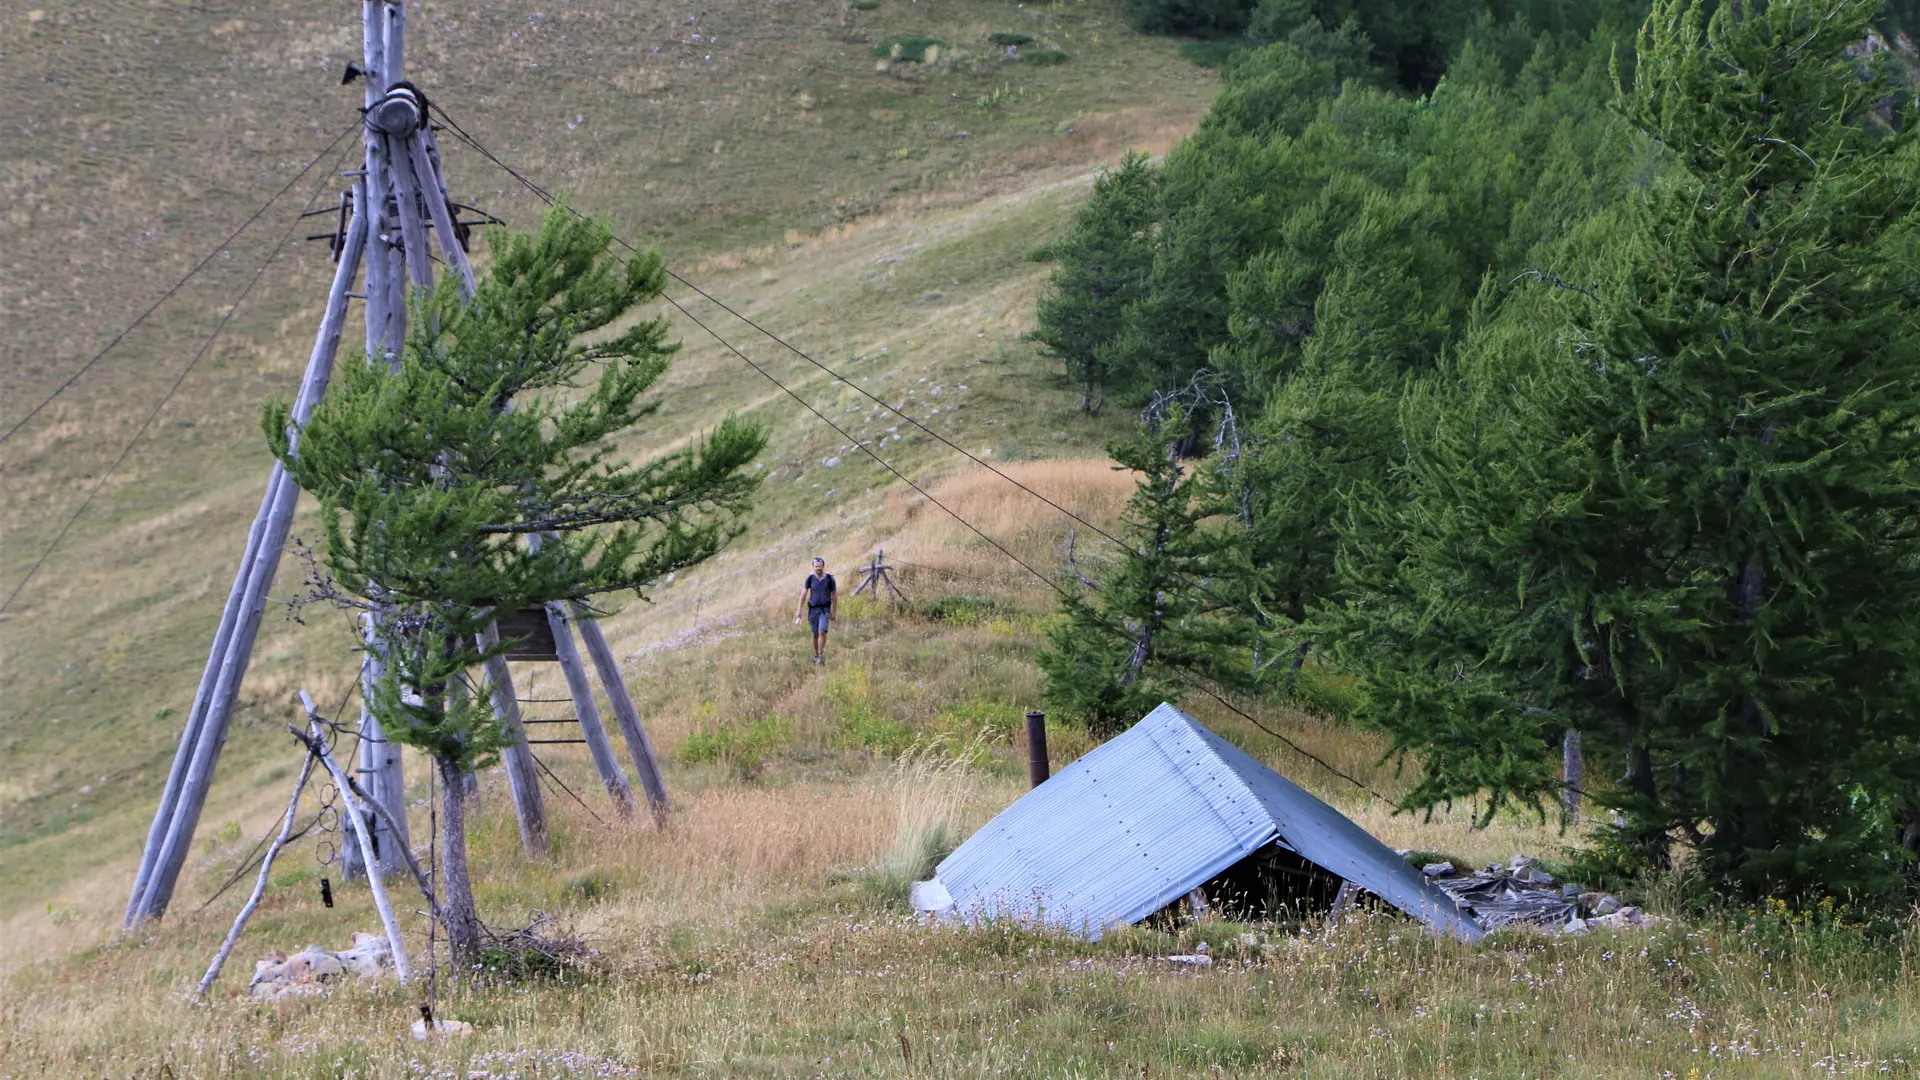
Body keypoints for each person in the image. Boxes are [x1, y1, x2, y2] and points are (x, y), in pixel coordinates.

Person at [794, 556, 837, 665]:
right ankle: (816, 654)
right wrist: (799, 610)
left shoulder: (829, 579)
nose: (818, 568)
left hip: (825, 610)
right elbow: (803, 594)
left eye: (820, 566)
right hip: (813, 610)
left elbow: (834, 595)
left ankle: (820, 655)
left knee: (821, 631)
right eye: (816, 566)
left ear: (823, 566)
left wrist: (833, 612)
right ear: (813, 567)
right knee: (815, 634)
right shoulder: (810, 579)